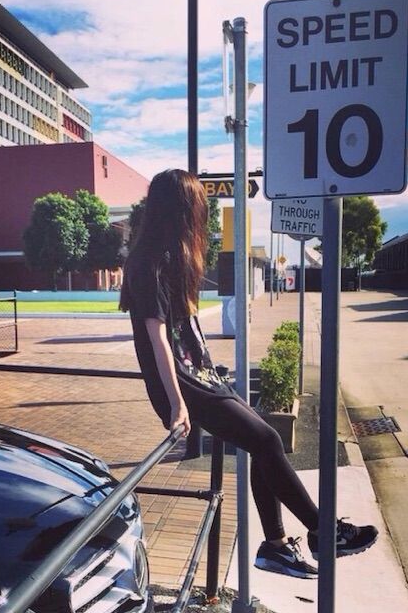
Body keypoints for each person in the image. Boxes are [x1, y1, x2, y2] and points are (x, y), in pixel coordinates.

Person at [119, 169, 378, 579]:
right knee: (267, 439)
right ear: (182, 210)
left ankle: (276, 547)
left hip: (202, 377)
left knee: (264, 439)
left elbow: (185, 332)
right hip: (185, 385)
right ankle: (323, 532)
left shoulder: (170, 256)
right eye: (197, 206)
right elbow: (158, 339)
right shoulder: (148, 261)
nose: (202, 213)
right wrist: (176, 404)